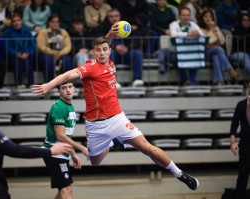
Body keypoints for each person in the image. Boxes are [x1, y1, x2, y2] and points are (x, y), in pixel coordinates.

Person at [32, 22, 199, 191]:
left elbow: (105, 42)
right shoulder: (90, 67)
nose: (102, 53)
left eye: (105, 49)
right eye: (98, 50)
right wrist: (48, 85)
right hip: (95, 124)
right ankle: (112, 143)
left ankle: (180, 173)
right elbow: (68, 74)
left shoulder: (109, 62)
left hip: (117, 118)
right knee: (95, 161)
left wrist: (110, 35)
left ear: (109, 50)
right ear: (93, 52)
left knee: (147, 148)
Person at [43, 81, 88, 199]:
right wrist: (81, 148)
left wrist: (72, 153)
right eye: (64, 88)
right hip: (54, 153)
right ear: (59, 91)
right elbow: (60, 136)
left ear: (74, 89)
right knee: (67, 190)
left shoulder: (69, 106)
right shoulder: (59, 107)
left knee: (63, 190)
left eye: (70, 87)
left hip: (62, 153)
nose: (68, 90)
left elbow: (65, 137)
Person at [102, 8, 144, 87]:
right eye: (111, 16)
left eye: (116, 16)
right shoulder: (104, 28)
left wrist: (128, 47)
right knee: (109, 53)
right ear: (108, 18)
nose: (114, 18)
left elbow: (137, 41)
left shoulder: (126, 26)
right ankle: (112, 81)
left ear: (120, 17)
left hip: (127, 53)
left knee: (138, 53)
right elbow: (101, 42)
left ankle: (137, 80)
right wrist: (114, 47)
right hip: (114, 55)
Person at [198, 8, 238, 85]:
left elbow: (222, 41)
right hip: (204, 53)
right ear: (202, 18)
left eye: (210, 16)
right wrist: (211, 30)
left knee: (216, 57)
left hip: (215, 52)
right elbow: (206, 42)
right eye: (205, 16)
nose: (208, 18)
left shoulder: (215, 28)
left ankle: (219, 81)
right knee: (219, 49)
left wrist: (216, 30)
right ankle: (229, 69)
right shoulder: (200, 29)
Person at [169, 7, 204, 85]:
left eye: (187, 15)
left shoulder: (193, 24)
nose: (185, 17)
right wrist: (188, 34)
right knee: (174, 58)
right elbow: (174, 35)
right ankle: (185, 80)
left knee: (197, 56)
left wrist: (197, 34)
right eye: (183, 15)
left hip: (191, 51)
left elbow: (202, 34)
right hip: (177, 51)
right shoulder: (174, 24)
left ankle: (191, 81)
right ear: (179, 16)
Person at [3, 13, 36, 89]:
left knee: (28, 61)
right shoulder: (7, 33)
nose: (16, 23)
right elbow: (7, 47)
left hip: (26, 55)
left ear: (21, 21)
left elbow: (32, 46)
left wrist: (28, 53)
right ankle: (19, 84)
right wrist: (16, 54)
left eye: (18, 20)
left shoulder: (27, 32)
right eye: (14, 21)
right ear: (12, 22)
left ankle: (31, 83)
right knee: (18, 62)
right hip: (13, 56)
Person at [37, 14, 72, 82]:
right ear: (49, 23)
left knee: (67, 59)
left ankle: (67, 83)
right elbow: (41, 46)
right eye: (53, 22)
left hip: (61, 54)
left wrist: (60, 53)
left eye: (57, 22)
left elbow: (68, 46)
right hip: (46, 54)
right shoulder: (43, 32)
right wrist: (53, 53)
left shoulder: (63, 32)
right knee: (47, 60)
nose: (55, 24)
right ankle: (50, 83)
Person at [230, 96, 250, 199]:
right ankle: (240, 195)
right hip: (246, 143)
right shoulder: (241, 105)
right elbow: (234, 124)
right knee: (243, 173)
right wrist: (233, 142)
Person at [230, 13, 250, 77]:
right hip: (237, 53)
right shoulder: (237, 30)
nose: (246, 22)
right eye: (244, 20)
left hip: (248, 53)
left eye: (248, 20)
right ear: (241, 21)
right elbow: (240, 45)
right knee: (244, 56)